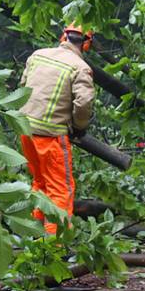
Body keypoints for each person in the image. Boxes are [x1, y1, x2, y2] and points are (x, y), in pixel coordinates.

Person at [17, 24, 95, 234]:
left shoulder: (38, 55)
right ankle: (55, 246)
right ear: (87, 44)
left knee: (40, 183)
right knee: (60, 190)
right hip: (51, 137)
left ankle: (35, 239)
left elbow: (23, 86)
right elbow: (84, 102)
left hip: (25, 130)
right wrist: (78, 126)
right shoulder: (79, 67)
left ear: (63, 36)